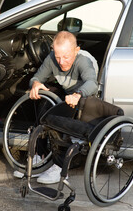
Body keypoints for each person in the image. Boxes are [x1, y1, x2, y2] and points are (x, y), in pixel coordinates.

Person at [13, 30, 98, 184]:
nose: (61, 62)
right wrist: (36, 84)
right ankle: (40, 156)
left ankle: (58, 166)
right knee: (45, 98)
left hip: (85, 95)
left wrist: (77, 95)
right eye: (58, 57)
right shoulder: (52, 58)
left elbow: (92, 83)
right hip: (67, 93)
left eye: (66, 57)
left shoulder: (83, 61)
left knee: (64, 115)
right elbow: (37, 77)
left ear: (76, 50)